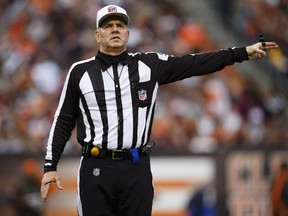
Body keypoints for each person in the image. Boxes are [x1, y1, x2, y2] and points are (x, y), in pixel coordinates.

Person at [40, 4, 278, 216]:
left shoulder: (148, 65)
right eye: (108, 25)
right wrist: (51, 165)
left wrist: (241, 53)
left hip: (136, 167)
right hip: (96, 166)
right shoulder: (80, 72)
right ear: (97, 34)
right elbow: (64, 119)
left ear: (128, 33)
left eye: (120, 26)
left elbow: (194, 63)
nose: (115, 29)